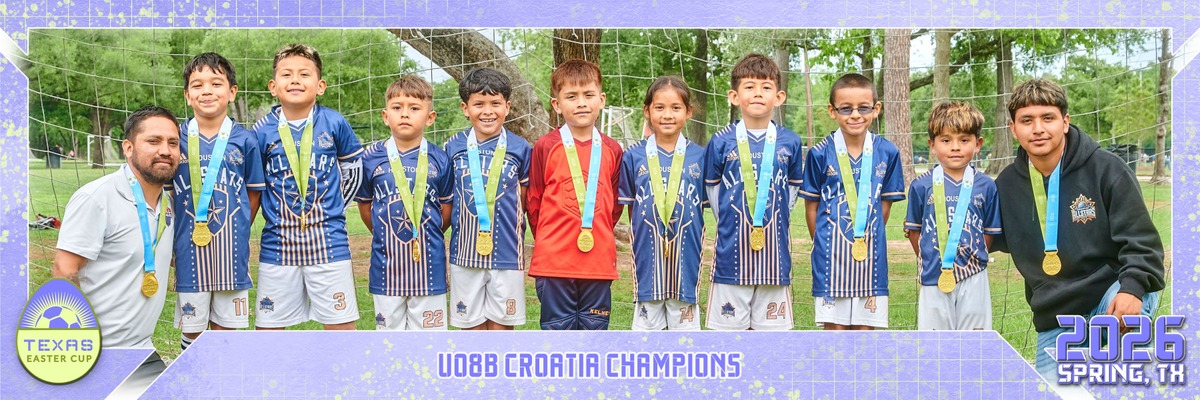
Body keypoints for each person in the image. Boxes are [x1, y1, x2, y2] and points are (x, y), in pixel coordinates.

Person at [992, 78, 1165, 379]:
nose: (1038, 129)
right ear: (1013, 128)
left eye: (1048, 118)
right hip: (1058, 315)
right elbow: (984, 237)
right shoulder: (1005, 185)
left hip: (1111, 292)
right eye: (1027, 120)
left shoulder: (1107, 168)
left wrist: (1133, 288)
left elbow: (1143, 243)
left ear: (1065, 122)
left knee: (1121, 374)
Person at [251, 43, 363, 330]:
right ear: (273, 87)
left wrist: (332, 208)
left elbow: (353, 169)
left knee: (341, 327)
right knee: (268, 330)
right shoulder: (261, 130)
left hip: (329, 242)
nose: (295, 80)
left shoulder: (335, 122)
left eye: (304, 74)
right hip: (278, 244)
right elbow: (255, 183)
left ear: (320, 86)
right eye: (286, 74)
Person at [53, 105, 181, 347]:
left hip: (141, 346)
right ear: (128, 148)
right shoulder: (96, 198)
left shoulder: (169, 205)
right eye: (154, 141)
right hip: (98, 350)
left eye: (172, 143)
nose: (165, 150)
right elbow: (64, 270)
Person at [168, 53, 264, 350]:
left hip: (230, 254)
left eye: (216, 83)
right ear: (187, 96)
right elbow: (166, 195)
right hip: (187, 252)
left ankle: (226, 376)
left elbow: (253, 194)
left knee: (227, 332)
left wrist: (237, 227)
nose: (206, 91)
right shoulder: (175, 139)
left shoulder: (245, 140)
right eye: (197, 85)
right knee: (193, 332)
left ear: (232, 92)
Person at [702, 54, 804, 330]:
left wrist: (768, 218)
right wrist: (734, 220)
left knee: (771, 340)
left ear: (779, 97)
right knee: (728, 337)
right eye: (749, 86)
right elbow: (713, 190)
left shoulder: (791, 142)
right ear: (734, 96)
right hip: (730, 256)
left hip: (774, 257)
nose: (758, 93)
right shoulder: (720, 141)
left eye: (766, 87)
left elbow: (792, 190)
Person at [799, 73, 906, 330]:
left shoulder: (888, 152)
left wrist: (865, 235)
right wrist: (824, 243)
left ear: (876, 109)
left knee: (864, 331)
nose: (855, 115)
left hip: (871, 258)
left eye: (863, 108)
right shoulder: (819, 153)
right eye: (846, 108)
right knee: (834, 331)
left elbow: (884, 206)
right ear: (832, 111)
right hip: (830, 258)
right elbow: (811, 206)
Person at [526, 59, 624, 330]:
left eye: (588, 95)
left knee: (594, 333)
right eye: (571, 96)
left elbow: (614, 206)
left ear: (601, 100)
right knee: (558, 334)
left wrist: (594, 229)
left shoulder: (613, 150)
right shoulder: (545, 147)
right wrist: (551, 239)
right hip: (554, 262)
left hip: (597, 262)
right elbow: (534, 203)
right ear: (557, 104)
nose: (581, 103)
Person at [355, 75, 453, 330]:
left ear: (430, 117)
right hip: (386, 267)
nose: (405, 114)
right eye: (397, 107)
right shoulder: (370, 158)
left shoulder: (441, 159)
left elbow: (446, 209)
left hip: (429, 268)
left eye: (414, 108)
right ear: (385, 116)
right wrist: (383, 232)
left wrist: (423, 232)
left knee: (430, 341)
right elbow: (365, 206)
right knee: (390, 340)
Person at [444, 68, 532, 330]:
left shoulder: (520, 148)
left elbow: (523, 199)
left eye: (495, 103)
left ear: (507, 107)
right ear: (465, 108)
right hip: (464, 255)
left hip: (507, 253)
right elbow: (447, 198)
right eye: (479, 104)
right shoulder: (452, 146)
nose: (487, 111)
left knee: (502, 331)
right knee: (471, 331)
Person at [619, 76, 707, 330]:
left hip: (686, 259)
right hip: (648, 259)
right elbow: (632, 209)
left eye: (675, 107)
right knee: (646, 337)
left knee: (685, 339)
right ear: (647, 111)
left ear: (688, 112)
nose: (667, 115)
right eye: (659, 107)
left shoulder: (701, 156)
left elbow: (702, 206)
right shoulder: (633, 156)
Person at [904, 101, 1001, 330]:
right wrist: (932, 257)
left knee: (974, 342)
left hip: (974, 274)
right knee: (936, 343)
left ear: (978, 144)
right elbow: (914, 231)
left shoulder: (986, 186)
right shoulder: (920, 185)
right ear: (932, 145)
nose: (955, 147)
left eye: (964, 140)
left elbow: (988, 233)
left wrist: (972, 257)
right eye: (946, 140)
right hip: (933, 275)